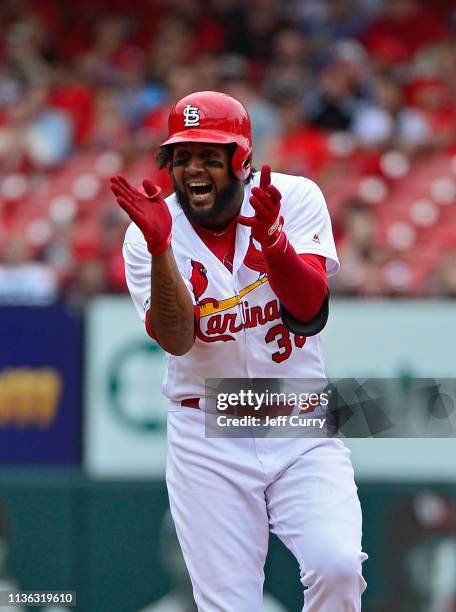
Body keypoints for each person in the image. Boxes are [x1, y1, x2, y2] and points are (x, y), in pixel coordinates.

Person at [111, 90, 367, 611]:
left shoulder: (291, 199)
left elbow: (309, 310)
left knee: (337, 565)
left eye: (211, 155)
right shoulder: (149, 236)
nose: (194, 169)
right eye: (182, 157)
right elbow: (179, 339)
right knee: (230, 605)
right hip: (207, 429)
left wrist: (274, 241)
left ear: (241, 159)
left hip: (297, 418)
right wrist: (161, 251)